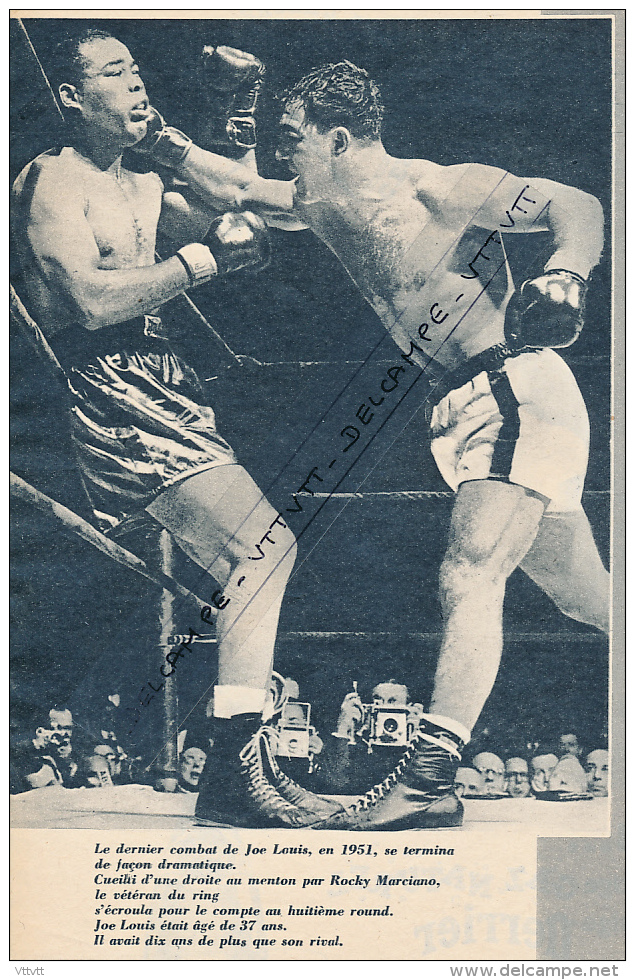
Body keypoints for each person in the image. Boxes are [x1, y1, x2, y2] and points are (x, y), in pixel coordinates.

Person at [264, 59, 609, 829]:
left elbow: (575, 202)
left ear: (339, 139)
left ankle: (426, 779)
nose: (277, 150)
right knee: (588, 599)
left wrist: (564, 275)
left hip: (514, 389)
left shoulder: (436, 187)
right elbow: (235, 190)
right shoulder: (323, 206)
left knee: (468, 573)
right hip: (458, 408)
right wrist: (168, 146)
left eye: (291, 138)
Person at [11, 29, 341, 828]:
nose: (133, 82)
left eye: (135, 68)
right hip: (109, 383)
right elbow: (87, 303)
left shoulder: (142, 181)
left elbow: (274, 216)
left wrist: (240, 114)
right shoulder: (53, 178)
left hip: (163, 387)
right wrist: (201, 263)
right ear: (71, 97)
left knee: (256, 558)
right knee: (260, 549)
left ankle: (239, 763)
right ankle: (234, 769)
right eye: (112, 71)